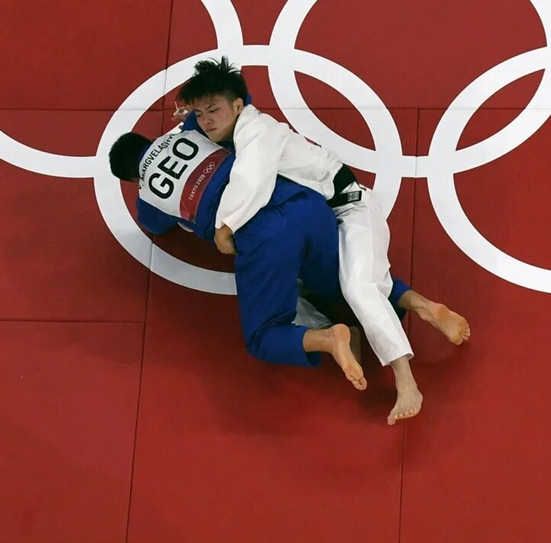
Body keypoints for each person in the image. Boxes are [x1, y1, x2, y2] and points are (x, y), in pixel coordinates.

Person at [173, 57, 470, 425]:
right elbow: (199, 124)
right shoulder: (230, 126)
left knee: (358, 287)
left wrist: (224, 227)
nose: (206, 122)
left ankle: (405, 380)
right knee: (297, 290)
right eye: (199, 114)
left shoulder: (259, 132)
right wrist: (188, 115)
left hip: (351, 210)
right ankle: (423, 307)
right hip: (318, 221)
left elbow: (251, 182)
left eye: (213, 110)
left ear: (238, 105)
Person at [109, 126, 369, 392]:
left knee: (263, 336)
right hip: (305, 202)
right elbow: (232, 104)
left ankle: (328, 337)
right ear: (151, 138)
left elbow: (154, 225)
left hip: (263, 238)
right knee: (340, 284)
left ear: (132, 179)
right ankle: (392, 309)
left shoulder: (148, 196)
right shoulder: (189, 129)